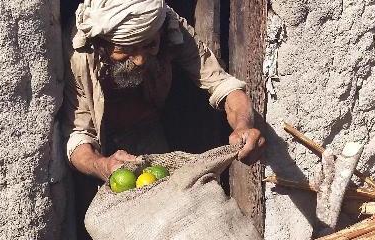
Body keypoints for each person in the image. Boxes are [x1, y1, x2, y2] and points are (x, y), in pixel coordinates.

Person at [61, 0, 264, 186]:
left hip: (146, 130)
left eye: (150, 45)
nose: (140, 60)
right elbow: (78, 135)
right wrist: (102, 166)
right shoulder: (79, 55)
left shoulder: (169, 27)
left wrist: (243, 126)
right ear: (102, 43)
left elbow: (223, 85)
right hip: (99, 147)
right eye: (126, 49)